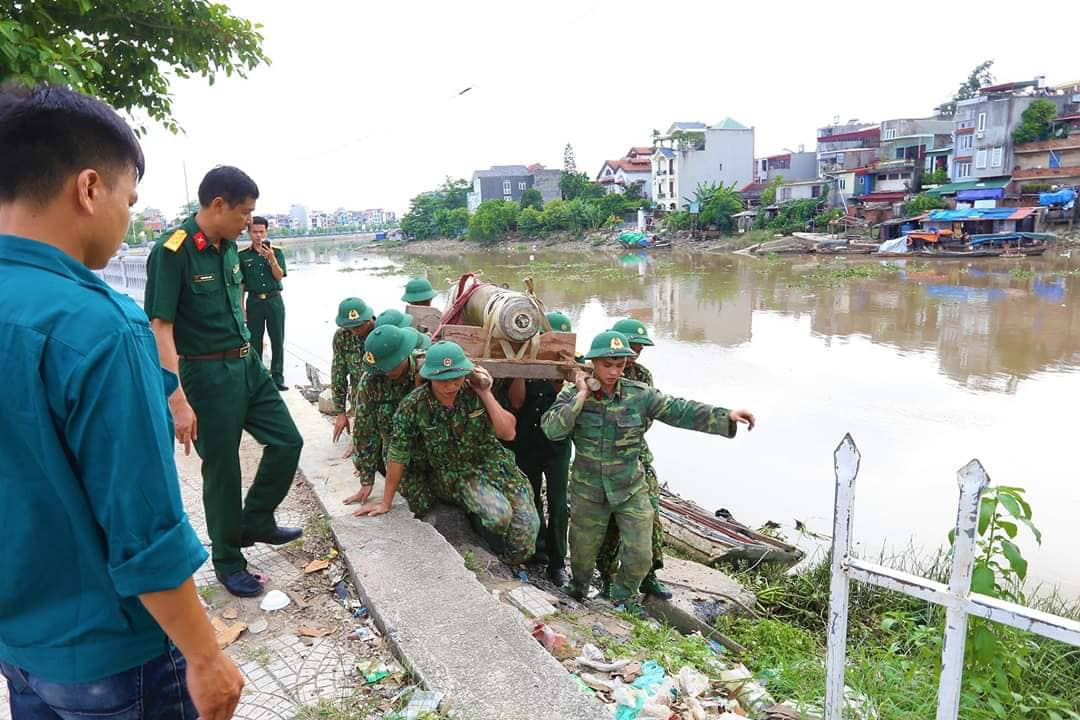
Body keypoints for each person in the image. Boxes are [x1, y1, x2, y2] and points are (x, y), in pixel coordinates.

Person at [0, 84, 243, 720]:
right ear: (88, 189)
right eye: (128, 199)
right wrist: (205, 655)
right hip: (113, 659)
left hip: (21, 643)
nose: (129, 218)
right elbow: (146, 535)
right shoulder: (99, 327)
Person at [145, 166, 304, 598]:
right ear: (218, 205)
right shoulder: (173, 251)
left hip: (247, 362)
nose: (248, 223)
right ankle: (229, 561)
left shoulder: (229, 249)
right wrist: (177, 399)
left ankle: (256, 519)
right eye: (243, 213)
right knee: (223, 467)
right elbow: (160, 328)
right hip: (206, 373)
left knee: (288, 441)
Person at [542, 331, 755, 615]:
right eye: (608, 365)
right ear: (593, 363)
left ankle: (623, 599)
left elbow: (679, 410)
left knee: (641, 553)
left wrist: (725, 416)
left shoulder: (638, 395)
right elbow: (552, 430)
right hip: (588, 489)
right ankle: (579, 589)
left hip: (630, 487)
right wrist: (581, 395)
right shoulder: (572, 395)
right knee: (582, 554)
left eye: (620, 366)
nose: (614, 372)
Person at [353, 341, 540, 566]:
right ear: (430, 377)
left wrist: (485, 393)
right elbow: (398, 453)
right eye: (443, 380)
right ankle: (487, 550)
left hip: (496, 464)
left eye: (457, 377)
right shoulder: (413, 406)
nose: (451, 385)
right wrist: (386, 501)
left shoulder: (474, 393)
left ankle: (509, 565)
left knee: (527, 528)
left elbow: (508, 433)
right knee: (499, 516)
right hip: (458, 474)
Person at [499, 311, 574, 586]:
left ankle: (557, 562)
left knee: (558, 502)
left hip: (556, 445)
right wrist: (522, 366)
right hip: (527, 442)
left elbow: (569, 402)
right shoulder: (527, 365)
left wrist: (563, 374)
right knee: (530, 498)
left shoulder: (570, 371)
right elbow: (517, 403)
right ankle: (536, 550)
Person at [595, 318, 668, 598]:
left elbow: (647, 417)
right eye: (632, 348)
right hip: (603, 462)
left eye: (639, 349)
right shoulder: (595, 374)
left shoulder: (643, 377)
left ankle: (648, 574)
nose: (635, 354)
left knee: (650, 514)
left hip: (637, 455)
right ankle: (605, 576)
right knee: (609, 523)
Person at [342, 325, 433, 515]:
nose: (388, 371)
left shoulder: (427, 367)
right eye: (383, 367)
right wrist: (367, 479)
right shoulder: (371, 381)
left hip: (431, 445)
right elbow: (364, 431)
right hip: (396, 454)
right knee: (418, 503)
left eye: (393, 365)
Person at [239, 216, 288, 391]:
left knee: (277, 339)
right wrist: (241, 307)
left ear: (266, 232)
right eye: (255, 232)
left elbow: (279, 276)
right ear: (249, 233)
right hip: (254, 301)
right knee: (255, 341)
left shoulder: (277, 252)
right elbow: (242, 285)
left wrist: (271, 259)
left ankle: (278, 378)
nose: (258, 235)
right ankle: (257, 378)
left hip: (274, 300)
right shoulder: (243, 256)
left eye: (262, 232)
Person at [330, 297, 376, 444]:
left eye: (359, 326)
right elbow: (338, 373)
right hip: (359, 397)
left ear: (369, 319)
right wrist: (340, 412)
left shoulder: (381, 333)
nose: (356, 331)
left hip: (382, 398)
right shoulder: (342, 336)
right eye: (351, 327)